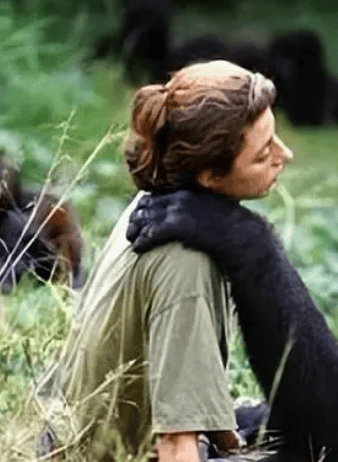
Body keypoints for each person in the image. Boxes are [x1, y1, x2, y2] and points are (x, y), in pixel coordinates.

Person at [33, 60, 293, 462]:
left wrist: (231, 442)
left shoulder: (159, 202)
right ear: (209, 174)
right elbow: (176, 446)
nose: (285, 155)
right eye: (263, 154)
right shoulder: (185, 258)